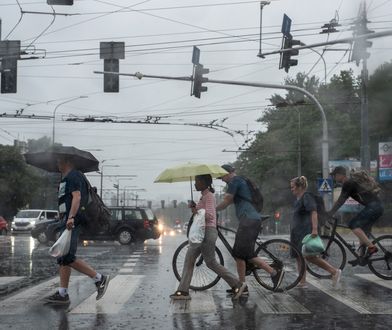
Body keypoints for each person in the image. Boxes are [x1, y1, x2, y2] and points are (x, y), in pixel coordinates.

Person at [43, 155, 110, 305]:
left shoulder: (74, 175)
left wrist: (71, 217)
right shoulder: (66, 177)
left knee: (67, 256)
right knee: (63, 257)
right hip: (66, 219)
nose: (57, 163)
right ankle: (62, 293)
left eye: (59, 160)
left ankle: (100, 279)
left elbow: (77, 197)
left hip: (72, 221)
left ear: (67, 161)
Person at [170, 174, 247, 301]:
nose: (195, 184)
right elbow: (201, 215)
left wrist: (197, 211)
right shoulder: (204, 196)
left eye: (197, 181)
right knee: (197, 261)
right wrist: (195, 208)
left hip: (206, 232)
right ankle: (183, 291)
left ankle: (237, 284)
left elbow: (210, 216)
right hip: (203, 232)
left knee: (206, 262)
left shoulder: (209, 197)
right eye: (195, 181)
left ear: (205, 183)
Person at [216, 164, 285, 293]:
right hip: (249, 220)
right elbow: (230, 201)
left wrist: (212, 210)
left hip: (249, 220)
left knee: (244, 254)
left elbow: (226, 200)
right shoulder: (241, 180)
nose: (222, 179)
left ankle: (274, 272)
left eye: (222, 176)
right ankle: (242, 286)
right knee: (239, 254)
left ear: (228, 173)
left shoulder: (234, 182)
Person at [290, 176, 341, 288]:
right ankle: (302, 282)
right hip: (298, 232)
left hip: (306, 231)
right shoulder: (299, 199)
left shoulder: (307, 197)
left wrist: (314, 229)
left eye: (293, 187)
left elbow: (314, 212)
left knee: (309, 256)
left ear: (299, 187)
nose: (291, 189)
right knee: (299, 256)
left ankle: (334, 271)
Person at [328, 166, 384, 257]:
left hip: (374, 207)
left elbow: (340, 201)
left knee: (353, 224)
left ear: (340, 175)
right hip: (376, 206)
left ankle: (371, 247)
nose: (334, 177)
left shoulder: (348, 183)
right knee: (362, 229)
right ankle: (361, 257)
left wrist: (329, 213)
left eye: (334, 175)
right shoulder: (350, 182)